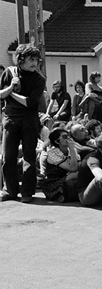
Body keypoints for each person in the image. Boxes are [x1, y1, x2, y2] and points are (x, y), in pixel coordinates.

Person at [0, 44, 46, 203]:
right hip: (10, 119)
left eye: (37, 60)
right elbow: (0, 95)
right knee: (8, 156)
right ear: (21, 59)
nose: (35, 63)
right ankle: (10, 190)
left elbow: (31, 103)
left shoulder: (39, 79)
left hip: (29, 120)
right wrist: (12, 87)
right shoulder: (9, 72)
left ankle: (27, 192)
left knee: (29, 156)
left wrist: (10, 93)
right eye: (31, 59)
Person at [40, 127, 80, 202]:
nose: (68, 139)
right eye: (65, 137)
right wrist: (72, 150)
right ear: (57, 141)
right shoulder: (53, 153)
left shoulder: (72, 150)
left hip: (68, 177)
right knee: (75, 174)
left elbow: (79, 166)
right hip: (54, 182)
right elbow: (73, 168)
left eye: (69, 136)